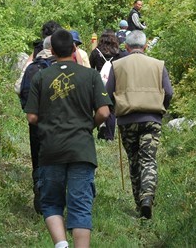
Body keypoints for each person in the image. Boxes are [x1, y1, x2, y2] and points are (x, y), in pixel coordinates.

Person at [25, 29, 112, 248]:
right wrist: (86, 126)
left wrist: (49, 124)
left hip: (51, 149)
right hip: (81, 149)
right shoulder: (90, 76)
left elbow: (32, 116)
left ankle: (61, 244)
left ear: (52, 51)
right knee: (80, 205)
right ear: (74, 49)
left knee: (52, 202)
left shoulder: (41, 77)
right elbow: (104, 113)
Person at [105, 30, 173, 220]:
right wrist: (161, 109)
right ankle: (147, 198)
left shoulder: (117, 65)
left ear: (125, 47)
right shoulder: (158, 65)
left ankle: (139, 203)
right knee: (148, 159)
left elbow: (107, 93)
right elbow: (168, 92)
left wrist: (114, 110)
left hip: (127, 120)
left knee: (134, 160)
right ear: (145, 46)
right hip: (152, 119)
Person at [18, 36, 56, 214]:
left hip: (35, 121)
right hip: (56, 122)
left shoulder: (32, 67)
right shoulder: (59, 67)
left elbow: (20, 89)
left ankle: (38, 185)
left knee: (37, 156)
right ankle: (51, 196)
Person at [88, 30, 127, 141]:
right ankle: (109, 135)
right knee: (112, 108)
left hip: (99, 83)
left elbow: (91, 68)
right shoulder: (118, 53)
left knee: (100, 106)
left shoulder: (96, 52)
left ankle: (101, 129)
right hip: (114, 82)